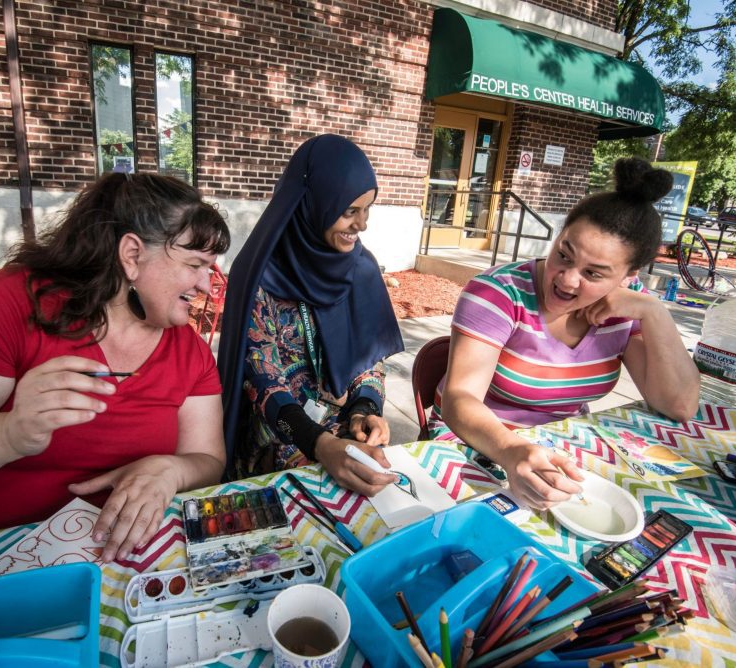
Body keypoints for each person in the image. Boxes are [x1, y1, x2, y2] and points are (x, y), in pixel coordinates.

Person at [0, 173, 230, 562]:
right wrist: (10, 434)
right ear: (132, 255)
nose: (205, 285)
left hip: (72, 560)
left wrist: (171, 471)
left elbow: (207, 461)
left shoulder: (189, 352)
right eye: (195, 264)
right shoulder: (14, 304)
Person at [433, 157, 700, 509]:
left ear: (629, 275)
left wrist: (655, 313)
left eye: (594, 274)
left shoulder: (630, 309)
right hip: (477, 441)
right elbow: (460, 399)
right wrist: (512, 450)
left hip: (565, 446)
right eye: (564, 254)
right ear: (559, 235)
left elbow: (678, 406)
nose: (567, 279)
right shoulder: (498, 292)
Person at [218, 134, 405, 495]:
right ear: (312, 204)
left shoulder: (361, 269)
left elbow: (369, 360)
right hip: (277, 439)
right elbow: (261, 382)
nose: (362, 224)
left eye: (368, 210)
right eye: (350, 211)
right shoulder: (258, 275)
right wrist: (319, 444)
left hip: (345, 439)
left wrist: (363, 411)